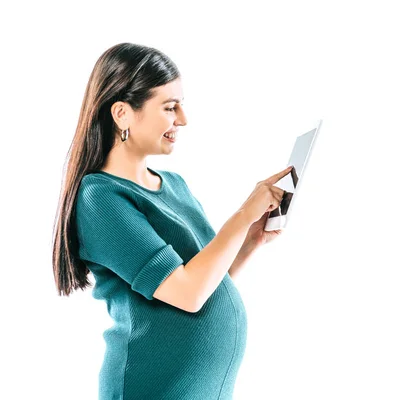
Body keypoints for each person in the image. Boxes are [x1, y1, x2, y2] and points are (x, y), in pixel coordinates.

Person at [51, 42, 292, 399]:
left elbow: (204, 282)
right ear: (122, 114)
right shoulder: (100, 198)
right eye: (169, 107)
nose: (182, 119)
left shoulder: (174, 185)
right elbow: (188, 293)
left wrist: (250, 239)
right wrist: (242, 216)